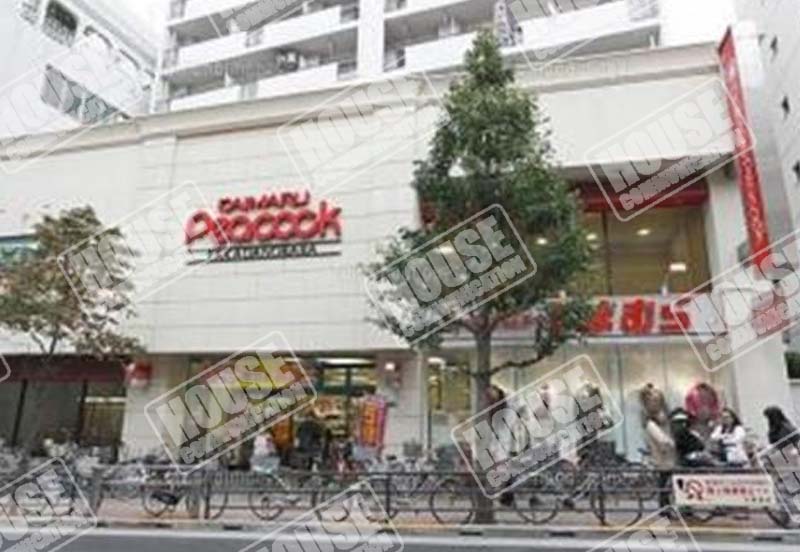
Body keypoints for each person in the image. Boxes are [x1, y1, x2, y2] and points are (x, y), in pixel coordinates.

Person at [645, 410, 676, 509]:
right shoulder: (652, 426)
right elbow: (662, 440)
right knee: (664, 482)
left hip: (664, 458)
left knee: (664, 483)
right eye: (661, 414)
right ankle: (664, 506)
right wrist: (672, 443)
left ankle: (665, 506)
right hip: (663, 458)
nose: (664, 416)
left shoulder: (658, 426)